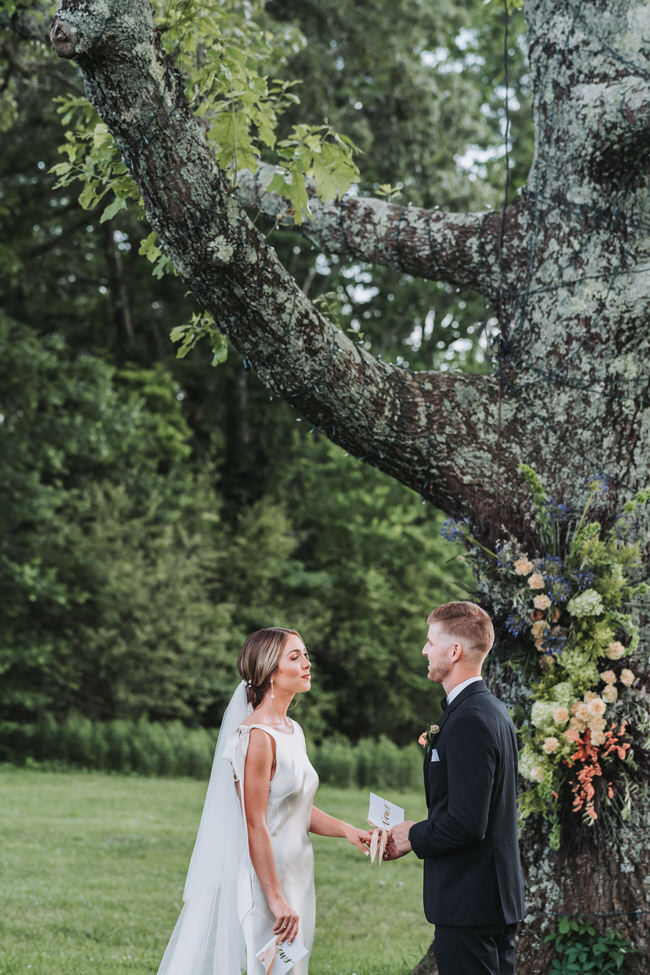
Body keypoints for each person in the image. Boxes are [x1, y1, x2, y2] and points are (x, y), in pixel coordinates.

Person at [156, 626, 371, 975]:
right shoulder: (256, 737)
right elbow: (254, 822)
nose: (307, 663)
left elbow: (294, 807)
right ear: (270, 672)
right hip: (267, 881)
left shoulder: (293, 730)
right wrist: (274, 898)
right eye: (295, 656)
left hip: (299, 871)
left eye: (305, 654)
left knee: (293, 970)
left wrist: (347, 830)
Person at [385, 601, 525, 975]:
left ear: (455, 651)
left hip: (472, 901)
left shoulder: (469, 720)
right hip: (489, 898)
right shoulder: (491, 711)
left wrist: (412, 834)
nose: (424, 651)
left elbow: (466, 823)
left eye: (431, 642)